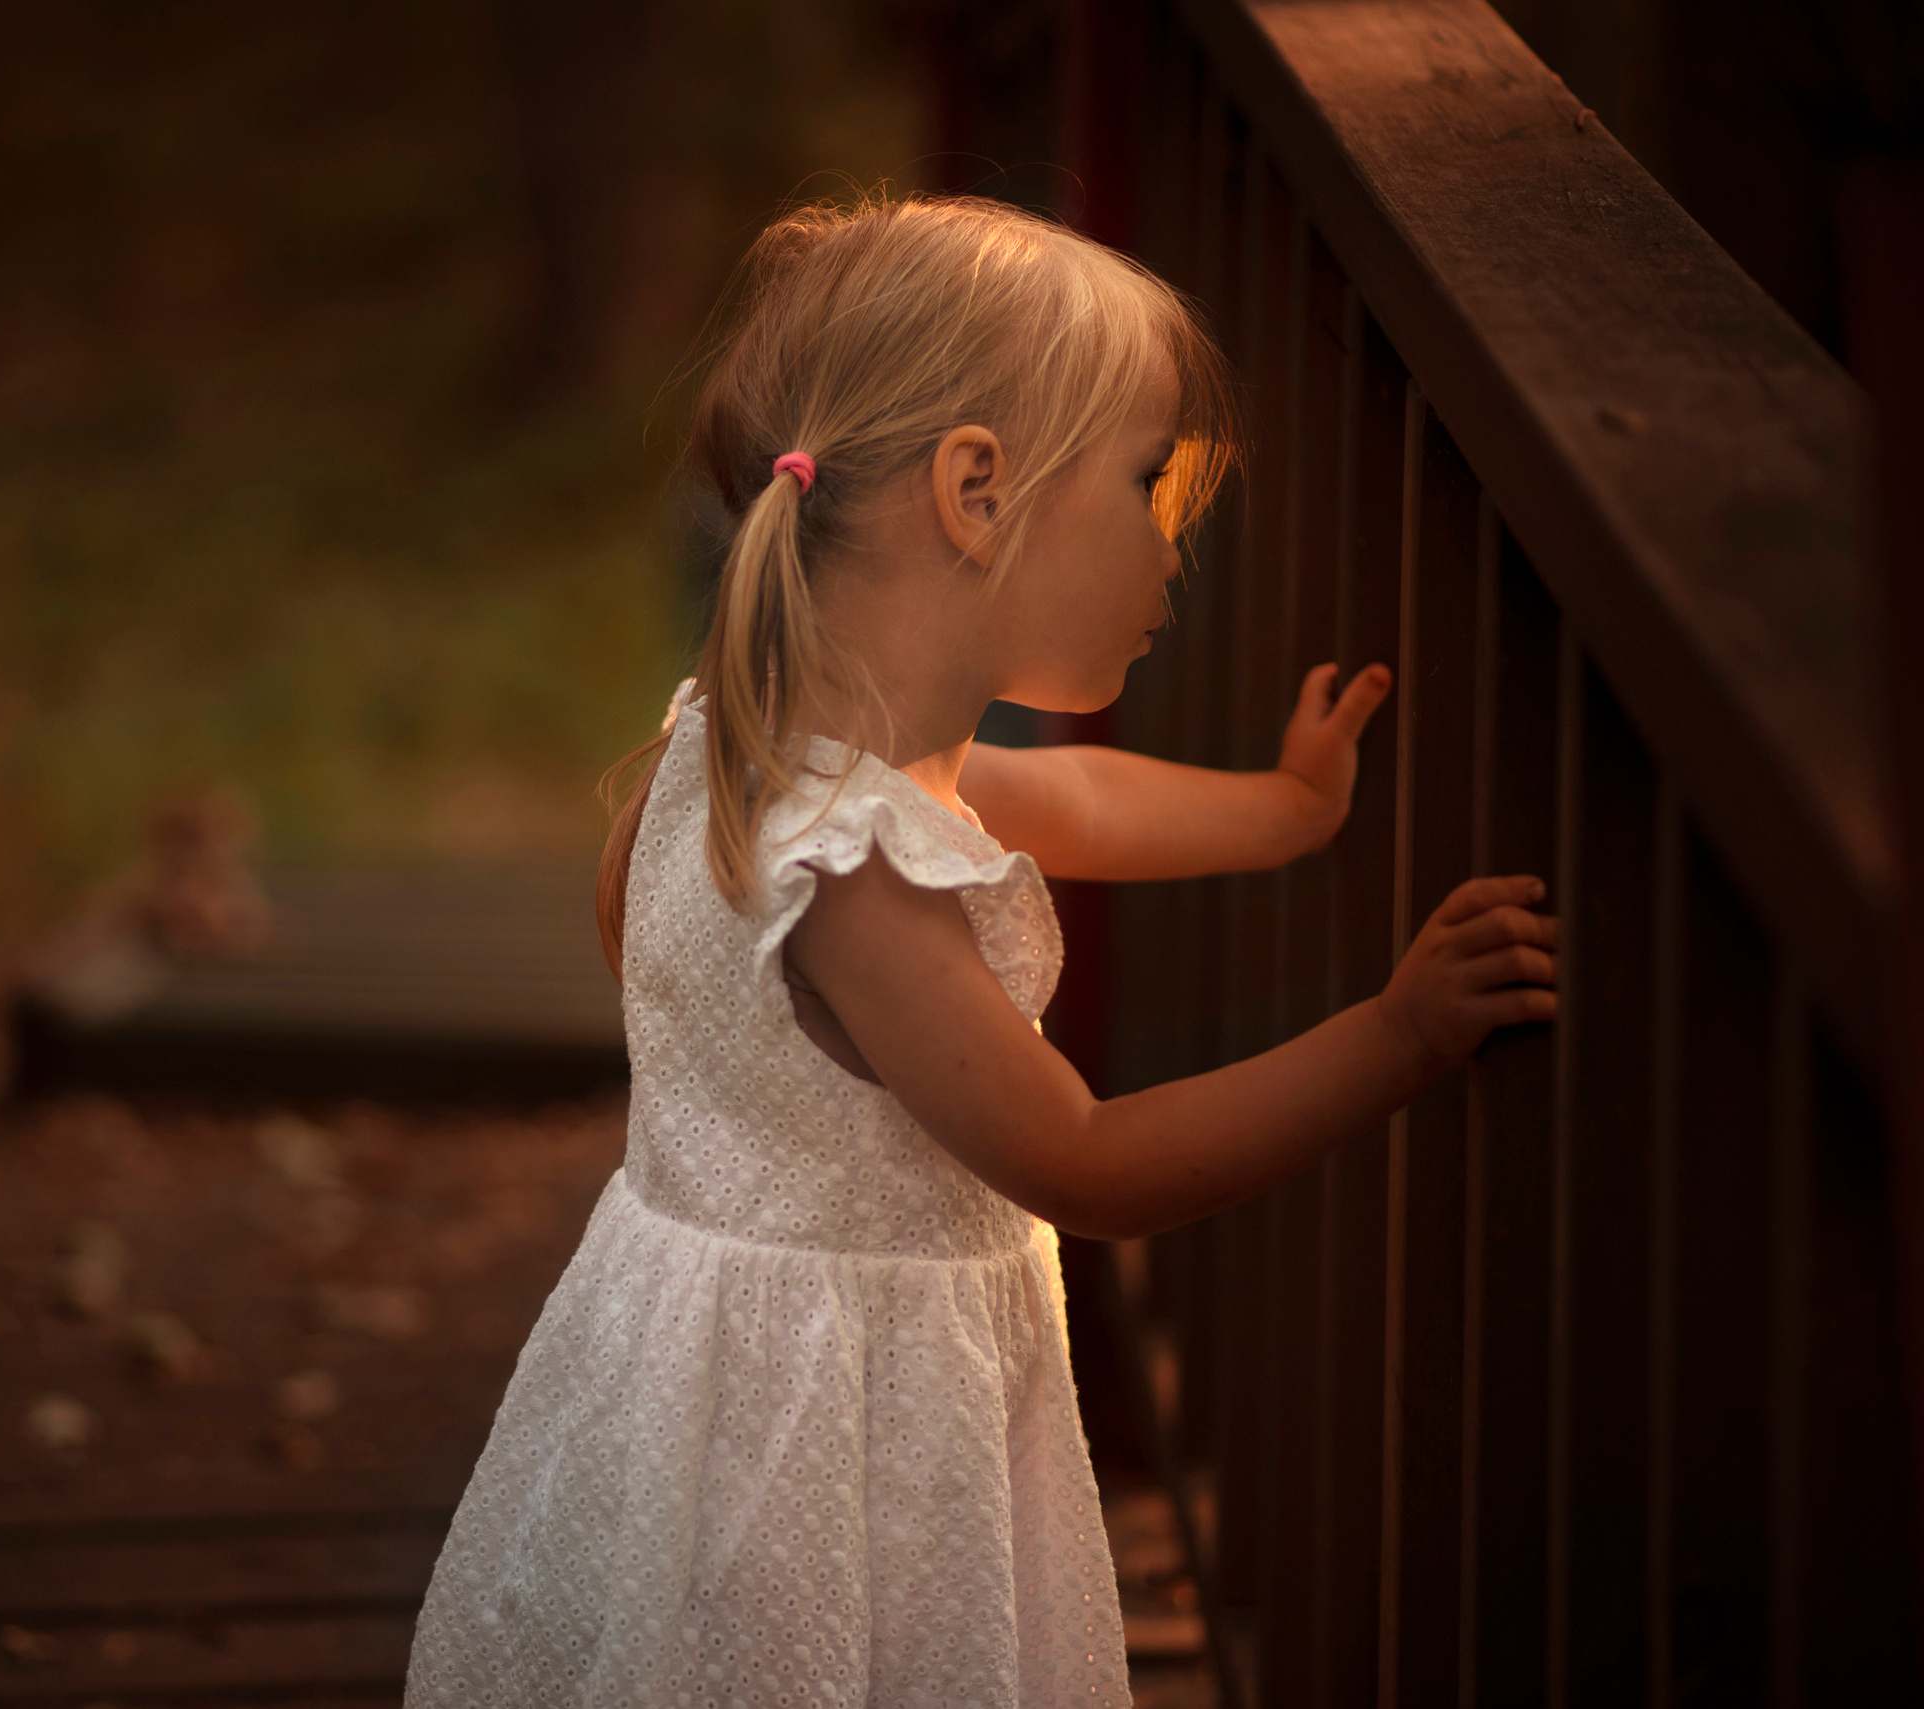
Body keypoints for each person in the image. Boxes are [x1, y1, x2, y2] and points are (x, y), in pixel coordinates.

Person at [403, 194, 1558, 1708]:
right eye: (1150, 484)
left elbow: (1063, 794)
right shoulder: (860, 877)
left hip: (679, 1400)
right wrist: (1396, 1038)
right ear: (974, 490)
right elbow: (1086, 1159)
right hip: (816, 1463)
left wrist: (1283, 810)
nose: (1170, 545)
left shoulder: (734, 755)